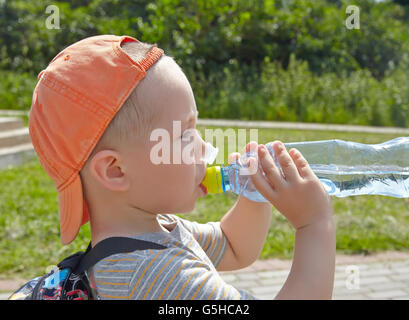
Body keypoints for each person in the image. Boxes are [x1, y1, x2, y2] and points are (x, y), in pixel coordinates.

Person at [28, 34, 335, 300]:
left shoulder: (155, 231)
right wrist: (314, 224)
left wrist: (253, 196)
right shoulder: (152, 273)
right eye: (185, 134)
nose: (205, 148)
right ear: (115, 171)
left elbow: (232, 246)